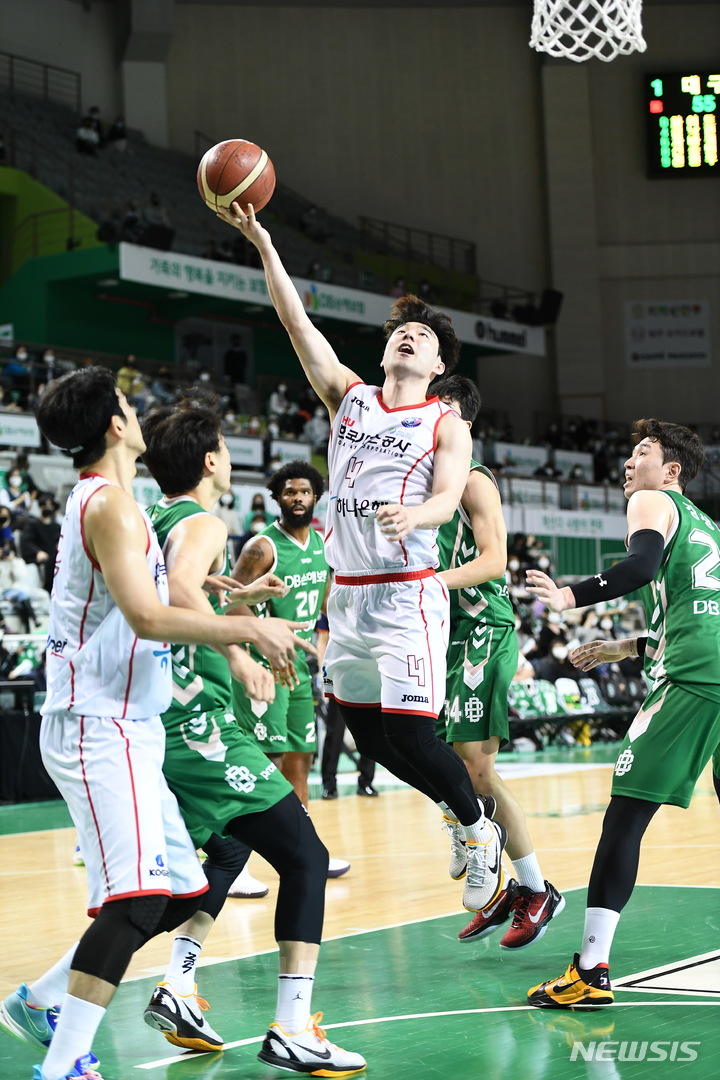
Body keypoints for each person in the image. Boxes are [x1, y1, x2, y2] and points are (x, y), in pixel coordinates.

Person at [0, 367, 317, 1080]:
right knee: (140, 895)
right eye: (125, 405)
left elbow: (137, 592)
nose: (136, 412)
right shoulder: (110, 504)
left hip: (130, 720)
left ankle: (43, 1001)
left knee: (180, 890)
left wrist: (219, 590)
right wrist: (244, 634)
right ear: (114, 425)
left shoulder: (120, 503)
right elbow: (146, 616)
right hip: (96, 720)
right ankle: (65, 1063)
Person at [218, 201, 506, 914]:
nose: (409, 338)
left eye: (422, 337)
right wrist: (263, 243)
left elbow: (448, 498)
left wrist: (420, 514)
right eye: (401, 333)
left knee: (411, 730)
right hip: (346, 596)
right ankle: (455, 812)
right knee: (369, 738)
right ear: (384, 354)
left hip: (408, 592)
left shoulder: (445, 421)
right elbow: (295, 322)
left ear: (438, 365)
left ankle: (478, 827)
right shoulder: (348, 398)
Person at [139, 402, 365, 1073]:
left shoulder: (152, 521)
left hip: (166, 723)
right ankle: (292, 1027)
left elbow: (177, 584)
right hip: (199, 724)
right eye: (226, 449)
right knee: (304, 859)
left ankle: (177, 983)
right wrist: (243, 640)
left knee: (226, 852)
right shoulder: (204, 519)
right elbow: (176, 589)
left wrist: (220, 591)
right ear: (211, 460)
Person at [525, 418, 719, 1010]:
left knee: (626, 814)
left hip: (695, 679)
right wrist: (625, 648)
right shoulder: (710, 527)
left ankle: (590, 968)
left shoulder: (655, 501)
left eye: (643, 452)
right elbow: (698, 612)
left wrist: (568, 596)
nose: (629, 464)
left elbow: (636, 569)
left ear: (672, 471)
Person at [428, 376, 563, 947]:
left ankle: (535, 889)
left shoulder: (474, 481)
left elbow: (493, 562)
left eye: (446, 407)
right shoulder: (423, 483)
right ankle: (498, 872)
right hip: (446, 631)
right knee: (434, 756)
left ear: (464, 420)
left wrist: (428, 586)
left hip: (484, 625)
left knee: (476, 768)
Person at [229, 459, 350, 882]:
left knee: (301, 758)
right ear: (276, 497)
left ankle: (304, 851)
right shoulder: (261, 547)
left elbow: (325, 603)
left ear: (316, 497)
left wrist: (325, 646)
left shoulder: (323, 543)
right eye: (288, 492)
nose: (296, 498)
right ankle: (233, 863)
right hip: (264, 665)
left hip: (299, 667)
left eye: (304, 492)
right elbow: (231, 599)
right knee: (265, 762)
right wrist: (265, 633)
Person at [20, 494, 61, 592]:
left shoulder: (57, 527)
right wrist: (38, 552)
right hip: (39, 558)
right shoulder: (32, 524)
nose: (47, 508)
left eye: (50, 505)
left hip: (55, 557)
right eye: (44, 505)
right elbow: (27, 542)